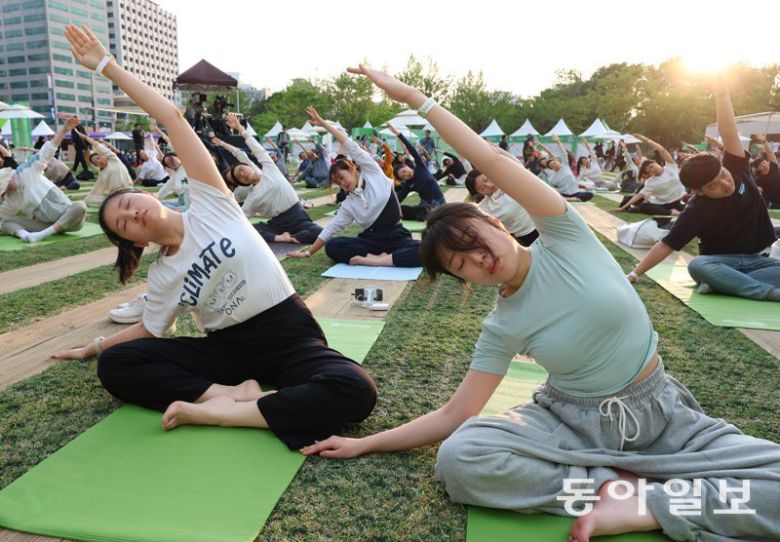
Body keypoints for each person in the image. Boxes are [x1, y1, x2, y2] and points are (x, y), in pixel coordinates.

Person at [300, 65, 780, 542]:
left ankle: (648, 501)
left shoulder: (565, 235)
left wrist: (416, 100)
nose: (478, 258)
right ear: (460, 279)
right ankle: (613, 489)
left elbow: (490, 158)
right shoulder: (502, 325)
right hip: (571, 424)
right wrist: (365, 444)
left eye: (475, 239)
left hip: (664, 416)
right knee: (461, 461)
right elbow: (453, 417)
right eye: (460, 262)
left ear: (499, 223)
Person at [51, 25, 376, 450]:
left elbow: (170, 117)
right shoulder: (164, 273)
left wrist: (107, 67)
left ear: (147, 195)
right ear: (135, 242)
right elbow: (151, 330)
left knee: (355, 390)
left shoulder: (210, 202)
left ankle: (221, 413)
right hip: (229, 352)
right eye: (124, 223)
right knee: (117, 366)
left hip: (288, 333)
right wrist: (95, 347)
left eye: (130, 204)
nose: (132, 213)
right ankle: (226, 396)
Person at [628, 80, 780, 302]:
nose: (725, 184)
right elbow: (666, 244)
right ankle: (766, 293)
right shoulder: (697, 209)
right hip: (719, 262)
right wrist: (633, 274)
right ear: (699, 191)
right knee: (698, 265)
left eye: (723, 176)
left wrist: (722, 94)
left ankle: (726, 284)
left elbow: (728, 132)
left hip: (758, 260)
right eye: (714, 186)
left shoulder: (735, 166)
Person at [288, 107, 421, 268]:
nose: (342, 184)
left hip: (397, 237)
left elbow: (349, 144)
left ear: (352, 169)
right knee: (333, 246)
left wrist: (323, 124)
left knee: (423, 250)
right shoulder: (349, 203)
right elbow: (331, 228)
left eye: (342, 178)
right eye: (338, 183)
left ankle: (377, 261)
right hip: (370, 241)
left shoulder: (372, 173)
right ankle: (382, 258)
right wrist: (309, 252)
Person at [219, 113, 322, 245]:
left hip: (298, 216)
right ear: (242, 183)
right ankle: (280, 238)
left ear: (246, 165)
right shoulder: (252, 197)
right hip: (277, 225)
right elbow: (239, 220)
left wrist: (239, 128)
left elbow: (254, 147)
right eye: (240, 177)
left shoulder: (269, 168)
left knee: (319, 233)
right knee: (250, 230)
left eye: (241, 170)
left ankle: (293, 237)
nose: (243, 174)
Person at [0, 116, 87, 243]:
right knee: (6, 222)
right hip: (44, 225)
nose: (8, 188)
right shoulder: (8, 201)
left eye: (6, 183)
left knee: (80, 206)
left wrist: (64, 130)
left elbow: (47, 151)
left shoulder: (27, 171)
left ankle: (42, 235)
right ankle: (25, 236)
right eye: (4, 189)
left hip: (69, 219)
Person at [613, 135, 686, 216]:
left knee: (692, 209)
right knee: (644, 206)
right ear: (649, 174)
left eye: (652, 166)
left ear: (655, 162)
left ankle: (636, 210)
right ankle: (671, 212)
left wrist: (646, 140)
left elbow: (662, 150)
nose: (652, 169)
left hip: (678, 201)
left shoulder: (671, 167)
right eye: (650, 171)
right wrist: (622, 208)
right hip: (663, 205)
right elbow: (638, 196)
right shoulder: (650, 182)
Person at [465, 166, 538, 246]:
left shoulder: (509, 182)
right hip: (525, 238)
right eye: (482, 188)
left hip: (542, 223)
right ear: (479, 193)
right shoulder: (485, 207)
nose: (489, 185)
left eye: (486, 180)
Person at [389, 123, 446, 221]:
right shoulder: (409, 184)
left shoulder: (420, 167)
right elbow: (400, 198)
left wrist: (398, 134)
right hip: (424, 204)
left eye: (404, 171)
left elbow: (411, 148)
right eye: (403, 176)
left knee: (429, 210)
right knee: (402, 210)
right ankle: (424, 213)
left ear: (407, 166)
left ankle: (428, 213)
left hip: (438, 201)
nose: (406, 174)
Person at [82, 133, 134, 206]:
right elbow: (95, 191)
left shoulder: (113, 159)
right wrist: (85, 200)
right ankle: (114, 202)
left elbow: (97, 145)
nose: (98, 161)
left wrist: (85, 137)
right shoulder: (101, 174)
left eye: (98, 158)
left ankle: (115, 202)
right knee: (88, 199)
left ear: (103, 156)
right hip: (115, 196)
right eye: (96, 163)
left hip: (128, 190)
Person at [540, 135, 593, 202]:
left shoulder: (564, 165)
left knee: (590, 194)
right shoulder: (553, 175)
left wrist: (558, 141)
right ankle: (571, 199)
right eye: (552, 166)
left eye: (554, 163)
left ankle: (569, 199)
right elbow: (552, 183)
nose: (555, 165)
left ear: (557, 162)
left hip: (575, 192)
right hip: (564, 194)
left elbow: (563, 153)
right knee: (550, 195)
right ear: (551, 169)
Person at [751, 135, 780, 208]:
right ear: (758, 169)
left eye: (763, 162)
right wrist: (758, 188)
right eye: (760, 165)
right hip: (772, 204)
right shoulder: (759, 179)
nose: (763, 165)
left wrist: (764, 141)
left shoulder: (774, 168)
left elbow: (770, 153)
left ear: (767, 162)